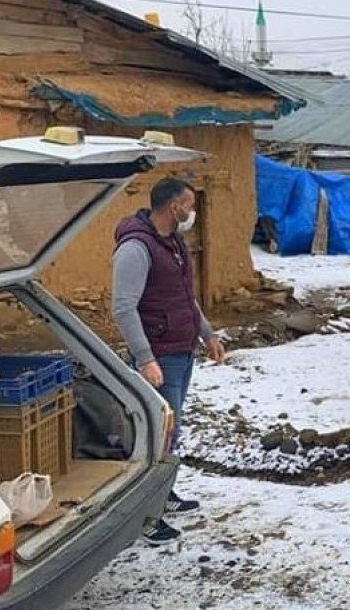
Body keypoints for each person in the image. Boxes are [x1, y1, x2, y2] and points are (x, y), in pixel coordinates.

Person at [112, 177, 226, 546]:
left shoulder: (172, 243)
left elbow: (182, 297)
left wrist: (206, 333)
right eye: (189, 204)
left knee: (170, 429)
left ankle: (162, 494)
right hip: (159, 354)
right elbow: (124, 307)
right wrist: (145, 358)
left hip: (180, 349)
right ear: (173, 206)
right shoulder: (136, 248)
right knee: (155, 433)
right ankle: (145, 517)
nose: (192, 211)